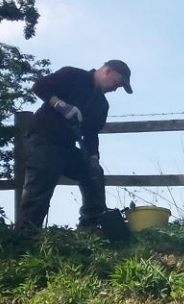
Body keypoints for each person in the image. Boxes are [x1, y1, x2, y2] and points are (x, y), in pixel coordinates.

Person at [18, 61, 133, 229]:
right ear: (107, 71)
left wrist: (93, 158)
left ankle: (90, 225)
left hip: (67, 147)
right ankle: (25, 238)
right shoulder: (72, 76)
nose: (115, 89)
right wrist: (61, 105)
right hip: (43, 140)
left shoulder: (101, 105)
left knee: (94, 175)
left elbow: (91, 134)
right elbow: (40, 86)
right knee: (39, 190)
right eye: (117, 84)